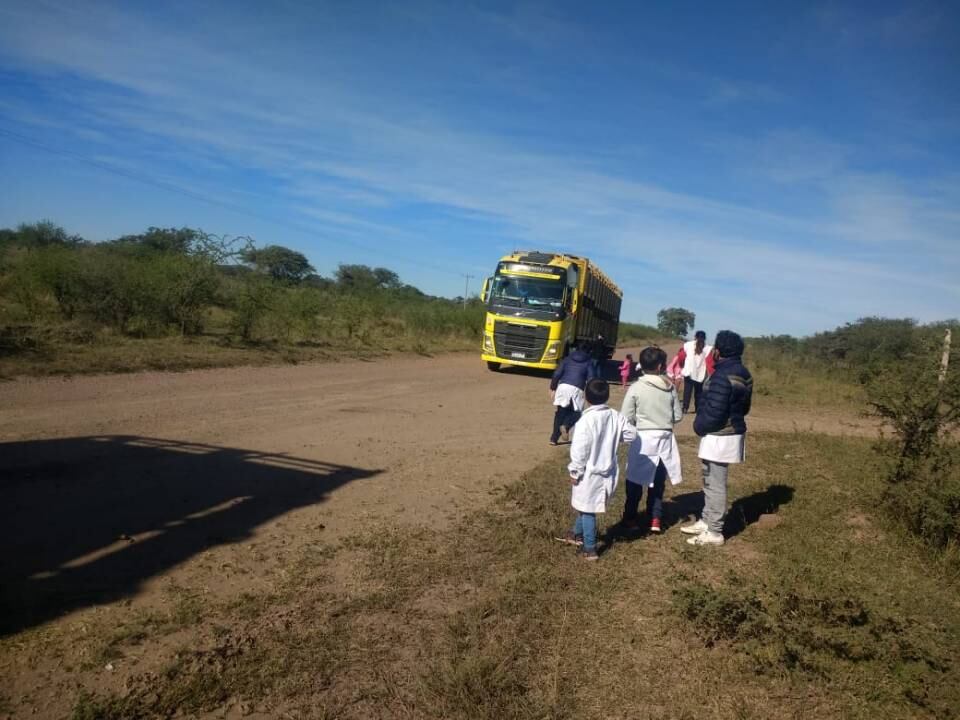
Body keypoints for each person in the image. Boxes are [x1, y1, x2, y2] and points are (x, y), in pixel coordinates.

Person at [681, 330, 753, 546]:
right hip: (728, 434)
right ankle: (707, 519)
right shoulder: (744, 373)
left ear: (718, 352)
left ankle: (714, 531)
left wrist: (698, 425)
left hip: (720, 436)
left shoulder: (722, 375)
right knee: (709, 479)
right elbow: (744, 408)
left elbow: (715, 411)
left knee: (715, 483)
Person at [556, 378, 637, 560]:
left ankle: (590, 548)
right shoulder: (616, 416)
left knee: (587, 509)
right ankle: (575, 533)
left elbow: (579, 450)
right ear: (607, 396)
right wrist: (616, 438)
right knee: (586, 506)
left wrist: (575, 471)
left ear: (586, 396)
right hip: (608, 472)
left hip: (589, 473)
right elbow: (632, 434)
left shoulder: (586, 420)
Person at [620, 347, 683, 533]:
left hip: (643, 438)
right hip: (664, 440)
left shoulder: (636, 387)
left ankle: (630, 517)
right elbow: (677, 416)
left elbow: (625, 416)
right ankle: (655, 517)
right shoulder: (669, 387)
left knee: (635, 479)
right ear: (660, 366)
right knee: (657, 481)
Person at [548, 344, 597, 445]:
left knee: (560, 413)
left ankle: (553, 439)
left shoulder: (567, 359)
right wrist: (590, 394)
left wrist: (553, 387)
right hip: (577, 389)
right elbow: (591, 379)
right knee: (577, 413)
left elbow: (557, 374)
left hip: (563, 387)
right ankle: (566, 426)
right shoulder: (588, 362)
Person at [678, 330, 713, 414]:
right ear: (705, 338)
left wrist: (682, 365)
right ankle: (698, 408)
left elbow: (681, 356)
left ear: (695, 337)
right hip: (700, 373)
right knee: (699, 392)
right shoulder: (708, 348)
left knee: (687, 391)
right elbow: (710, 361)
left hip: (689, 371)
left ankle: (685, 408)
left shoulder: (688, 345)